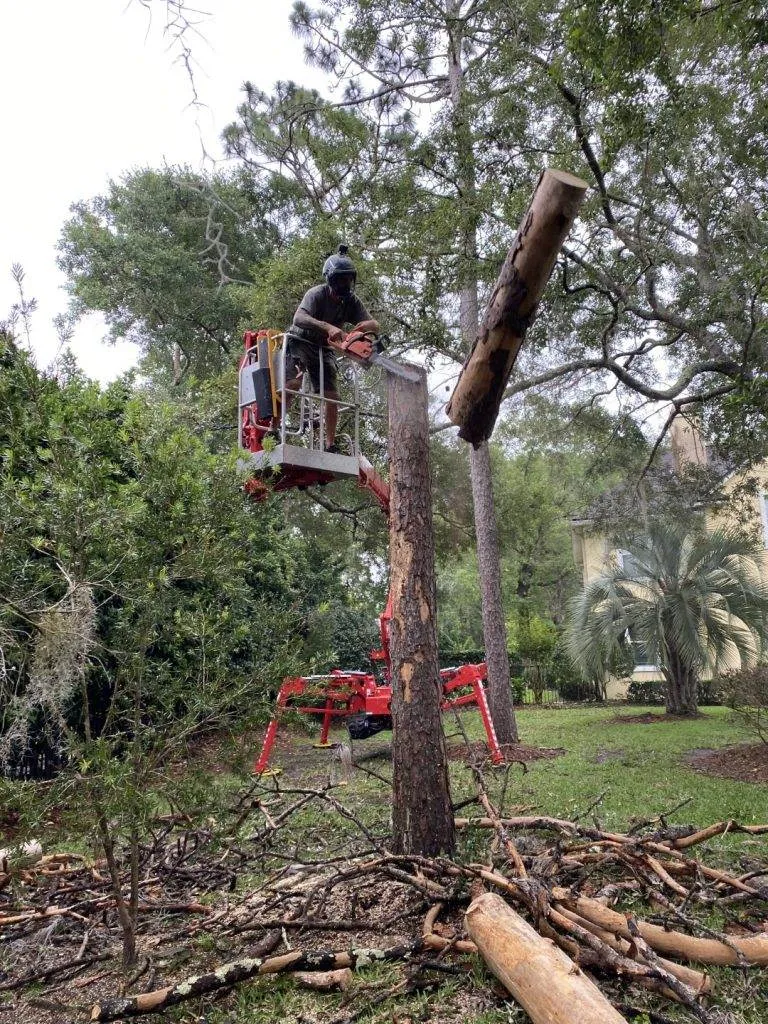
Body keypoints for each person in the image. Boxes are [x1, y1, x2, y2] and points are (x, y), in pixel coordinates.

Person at [286, 246, 379, 452]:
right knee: (291, 383)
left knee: (331, 396)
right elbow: (298, 318)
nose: (344, 284)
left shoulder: (351, 301)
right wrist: (327, 326)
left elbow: (375, 324)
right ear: (330, 279)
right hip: (300, 340)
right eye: (340, 279)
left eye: (348, 279)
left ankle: (330, 444)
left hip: (323, 348)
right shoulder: (316, 294)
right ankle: (274, 430)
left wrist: (365, 327)